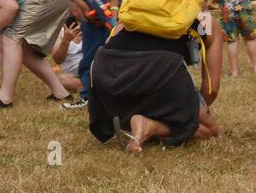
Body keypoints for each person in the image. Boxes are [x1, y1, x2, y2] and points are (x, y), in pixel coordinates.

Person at [89, 16, 222, 152]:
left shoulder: (134, 9)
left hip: (107, 75)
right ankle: (150, 126)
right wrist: (188, 114)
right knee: (208, 129)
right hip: (160, 66)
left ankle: (144, 122)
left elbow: (109, 41)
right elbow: (211, 89)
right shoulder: (204, 19)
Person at [49, 19, 84, 94]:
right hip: (74, 75)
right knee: (60, 79)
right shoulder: (59, 32)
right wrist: (66, 41)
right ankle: (83, 87)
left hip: (90, 71)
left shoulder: (92, 28)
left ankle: (85, 87)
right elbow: (58, 60)